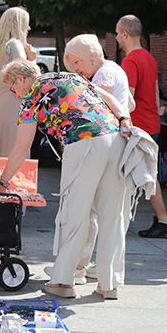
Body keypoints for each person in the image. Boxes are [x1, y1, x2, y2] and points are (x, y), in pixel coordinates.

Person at [0, 60, 139, 299]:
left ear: (20, 79)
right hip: (116, 137)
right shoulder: (73, 77)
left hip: (82, 142)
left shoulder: (31, 98)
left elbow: (22, 147)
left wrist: (4, 181)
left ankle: (63, 281)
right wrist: (125, 120)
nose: (14, 93)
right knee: (112, 215)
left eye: (12, 87)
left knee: (74, 213)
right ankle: (109, 284)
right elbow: (111, 100)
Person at [63, 33, 136, 283]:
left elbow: (94, 110)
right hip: (118, 144)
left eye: (77, 62)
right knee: (110, 214)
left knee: (90, 211)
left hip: (102, 146)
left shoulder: (104, 73)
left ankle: (78, 268)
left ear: (92, 57)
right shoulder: (116, 69)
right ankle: (105, 277)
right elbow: (131, 104)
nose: (75, 69)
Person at [115, 15, 167, 238]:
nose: (115, 37)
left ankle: (164, 220)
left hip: (138, 125)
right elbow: (155, 94)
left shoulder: (130, 61)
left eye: (116, 33)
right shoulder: (149, 58)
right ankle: (161, 220)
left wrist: (119, 122)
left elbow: (126, 99)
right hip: (152, 123)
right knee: (145, 174)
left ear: (124, 34)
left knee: (144, 175)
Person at [0, 7, 36, 158]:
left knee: (3, 155)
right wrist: (33, 59)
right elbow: (26, 75)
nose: (29, 28)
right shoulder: (15, 45)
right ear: (18, 25)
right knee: (18, 155)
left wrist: (5, 89)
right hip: (15, 105)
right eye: (26, 24)